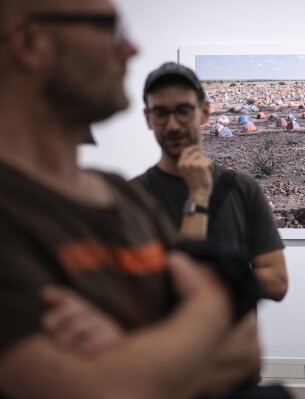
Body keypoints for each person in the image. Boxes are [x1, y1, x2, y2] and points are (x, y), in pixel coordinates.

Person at [0, 0, 263, 397]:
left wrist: (125, 352)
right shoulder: (13, 209)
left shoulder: (121, 195)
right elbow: (101, 390)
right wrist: (214, 302)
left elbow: (244, 352)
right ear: (28, 42)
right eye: (110, 27)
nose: (131, 49)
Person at [132, 62, 288, 302]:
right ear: (148, 118)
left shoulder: (243, 189)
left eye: (183, 110)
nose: (173, 125)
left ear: (204, 112)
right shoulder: (132, 197)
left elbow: (278, 282)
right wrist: (197, 195)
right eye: (161, 113)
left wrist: (213, 277)